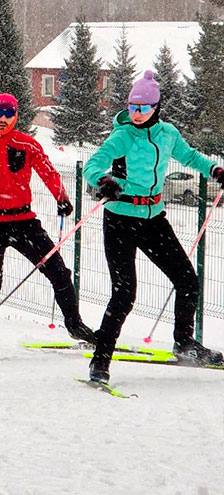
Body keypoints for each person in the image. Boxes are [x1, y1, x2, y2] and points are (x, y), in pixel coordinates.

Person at [83, 70, 224, 383]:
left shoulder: (168, 134)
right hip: (120, 218)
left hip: (153, 220)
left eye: (143, 108)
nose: (136, 113)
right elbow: (93, 165)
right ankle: (100, 362)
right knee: (124, 294)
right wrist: (102, 181)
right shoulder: (122, 136)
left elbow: (189, 157)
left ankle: (184, 343)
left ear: (156, 107)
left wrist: (214, 169)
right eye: (133, 107)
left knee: (187, 279)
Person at [0, 93, 96, 358]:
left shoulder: (27, 145)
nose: (3, 119)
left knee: (59, 272)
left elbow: (49, 171)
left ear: (16, 116)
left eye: (8, 114)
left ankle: (75, 325)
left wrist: (61, 198)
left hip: (24, 222)